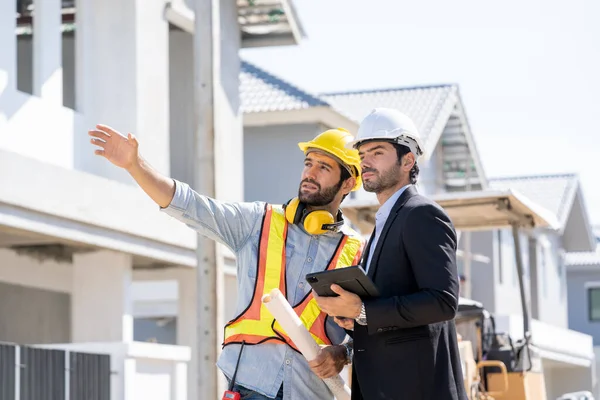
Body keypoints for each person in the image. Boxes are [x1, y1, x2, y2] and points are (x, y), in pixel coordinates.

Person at [88, 124, 365, 400]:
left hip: (311, 393)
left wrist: (344, 353)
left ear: (348, 182)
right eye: (308, 163)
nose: (310, 173)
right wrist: (135, 166)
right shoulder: (258, 221)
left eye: (324, 168)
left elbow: (373, 325)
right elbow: (190, 205)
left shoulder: (357, 251)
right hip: (251, 388)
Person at [311, 108, 467, 400]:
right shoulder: (383, 223)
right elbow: (393, 316)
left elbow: (443, 301)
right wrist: (354, 325)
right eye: (362, 154)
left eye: (377, 152)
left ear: (408, 160)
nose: (365, 161)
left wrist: (362, 311)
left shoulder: (422, 214)